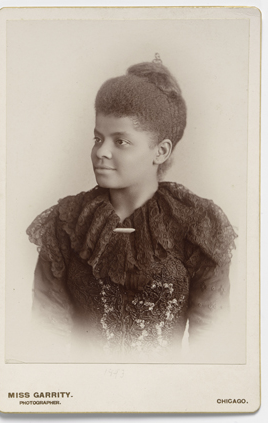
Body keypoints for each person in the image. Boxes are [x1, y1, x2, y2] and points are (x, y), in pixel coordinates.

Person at [26, 54, 237, 362]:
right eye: (98, 138)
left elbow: (213, 344)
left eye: (120, 142)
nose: (102, 152)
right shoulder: (67, 224)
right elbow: (46, 337)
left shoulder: (197, 224)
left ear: (161, 151)